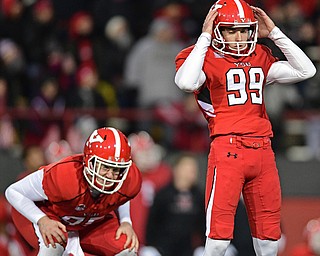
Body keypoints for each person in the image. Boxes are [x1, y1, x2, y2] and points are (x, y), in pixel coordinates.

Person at [174, 0, 316, 255]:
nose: (239, 37)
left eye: (244, 29)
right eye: (231, 29)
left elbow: (306, 69)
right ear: (217, 29)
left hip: (263, 151)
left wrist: (274, 32)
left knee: (269, 240)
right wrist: (205, 37)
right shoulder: (203, 56)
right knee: (217, 239)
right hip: (228, 148)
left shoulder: (259, 56)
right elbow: (185, 82)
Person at [5, 127, 142, 256]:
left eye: (116, 169)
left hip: (85, 221)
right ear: (89, 161)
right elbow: (13, 192)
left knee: (127, 248)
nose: (110, 176)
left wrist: (125, 221)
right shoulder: (65, 175)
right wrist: (42, 219)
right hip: (49, 213)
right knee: (52, 245)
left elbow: (123, 194)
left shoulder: (130, 178)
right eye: (105, 167)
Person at [145, 153, 205, 256]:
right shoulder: (163, 194)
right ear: (176, 170)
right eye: (188, 168)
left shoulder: (199, 196)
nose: (192, 172)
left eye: (194, 169)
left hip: (190, 250)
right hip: (163, 249)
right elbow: (152, 225)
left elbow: (204, 226)